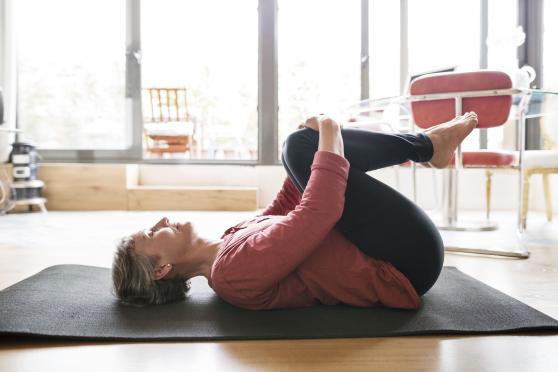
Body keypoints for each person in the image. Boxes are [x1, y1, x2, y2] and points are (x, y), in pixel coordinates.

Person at [112, 112, 478, 310]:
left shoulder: (230, 242)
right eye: (150, 233)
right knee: (300, 148)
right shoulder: (232, 274)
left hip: (389, 247)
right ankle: (426, 146)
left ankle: (428, 146)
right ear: (162, 270)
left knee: (298, 149)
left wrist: (303, 156)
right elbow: (318, 213)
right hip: (403, 263)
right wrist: (328, 132)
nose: (160, 221)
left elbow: (290, 206)